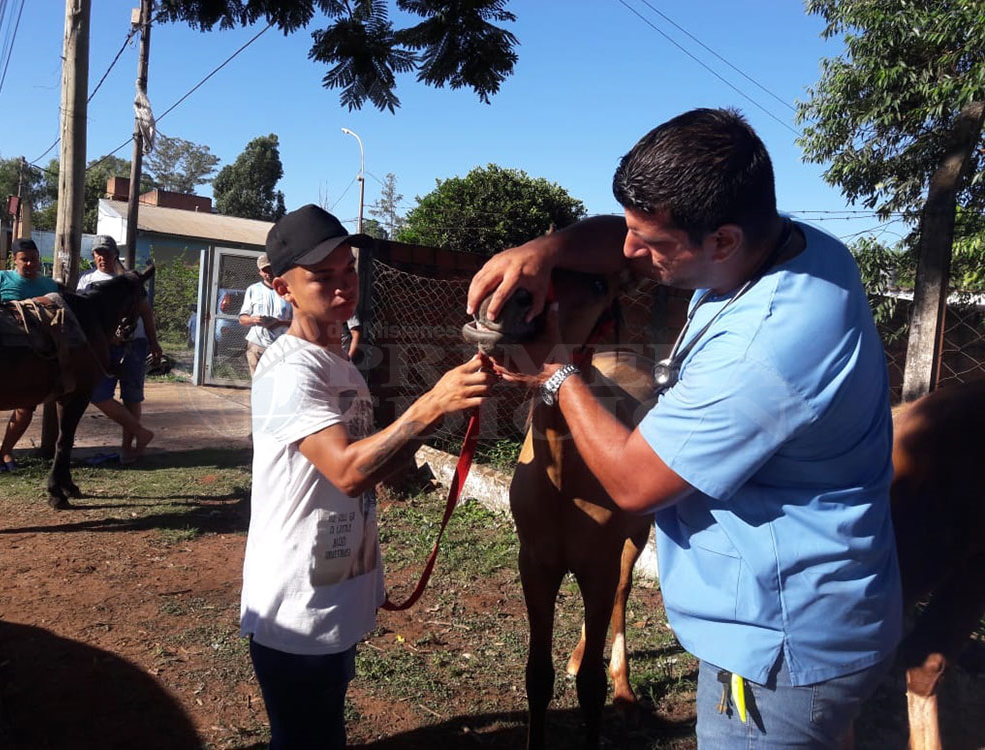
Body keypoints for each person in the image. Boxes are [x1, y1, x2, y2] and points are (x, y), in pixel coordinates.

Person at [467, 108, 901, 748]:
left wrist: (556, 370)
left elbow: (635, 486)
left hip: (777, 649)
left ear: (721, 240)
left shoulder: (764, 348)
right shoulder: (792, 249)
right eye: (632, 229)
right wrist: (543, 251)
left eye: (650, 242)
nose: (629, 252)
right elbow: (628, 239)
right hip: (807, 616)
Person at [241, 204, 495, 749]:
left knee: (323, 729)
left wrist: (446, 412)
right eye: (322, 277)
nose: (342, 287)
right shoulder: (290, 370)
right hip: (296, 607)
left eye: (348, 271)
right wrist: (430, 403)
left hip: (336, 591)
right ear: (281, 287)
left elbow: (373, 466)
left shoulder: (340, 364)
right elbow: (348, 472)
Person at [76, 235, 159, 464]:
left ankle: (129, 449)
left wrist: (154, 343)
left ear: (115, 255)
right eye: (98, 253)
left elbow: (145, 312)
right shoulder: (86, 280)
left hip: (135, 344)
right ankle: (141, 433)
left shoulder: (130, 279)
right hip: (104, 346)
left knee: (132, 396)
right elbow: (85, 316)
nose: (102, 257)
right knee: (99, 394)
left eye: (107, 252)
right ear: (93, 256)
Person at [0, 238, 61, 472]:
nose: (29, 264)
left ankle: (7, 450)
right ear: (15, 260)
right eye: (24, 259)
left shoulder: (50, 285)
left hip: (34, 355)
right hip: (2, 352)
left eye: (33, 259)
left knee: (27, 404)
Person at [238, 253, 292, 376]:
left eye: (271, 269)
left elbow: (298, 321)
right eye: (265, 270)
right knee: (258, 383)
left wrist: (278, 322)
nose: (268, 273)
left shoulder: (288, 290)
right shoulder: (253, 289)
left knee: (278, 383)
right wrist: (254, 320)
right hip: (257, 344)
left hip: (281, 346)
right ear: (259, 272)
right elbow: (242, 319)